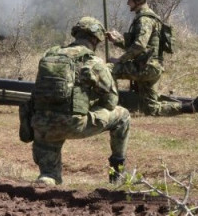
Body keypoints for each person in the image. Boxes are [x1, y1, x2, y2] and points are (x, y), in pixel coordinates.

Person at [29, 16, 130, 186]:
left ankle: (47, 177)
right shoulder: (93, 61)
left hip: (42, 126)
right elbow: (111, 102)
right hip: (73, 123)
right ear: (95, 39)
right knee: (123, 116)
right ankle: (117, 172)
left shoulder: (49, 54)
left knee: (48, 177)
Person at [106, 0, 198, 117]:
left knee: (109, 69)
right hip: (153, 67)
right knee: (151, 109)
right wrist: (117, 40)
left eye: (130, 0)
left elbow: (139, 46)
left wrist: (119, 60)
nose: (128, 3)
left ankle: (110, 107)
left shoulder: (144, 19)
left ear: (138, 0)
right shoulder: (151, 17)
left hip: (146, 67)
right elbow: (143, 46)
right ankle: (194, 106)